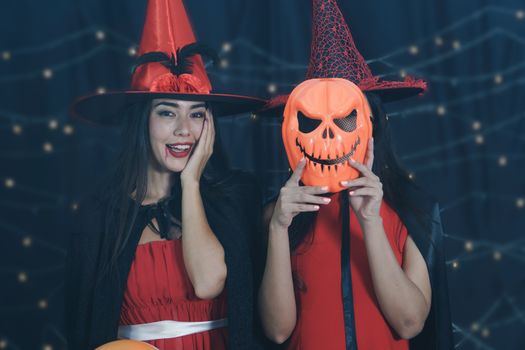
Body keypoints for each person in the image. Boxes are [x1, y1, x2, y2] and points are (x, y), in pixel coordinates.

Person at [65, 0, 267, 349]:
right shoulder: (100, 216)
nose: (185, 131)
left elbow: (207, 284)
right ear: (141, 121)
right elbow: (84, 327)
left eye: (197, 115)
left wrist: (190, 183)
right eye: (167, 113)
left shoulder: (235, 198)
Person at [258, 0, 453, 349]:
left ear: (374, 127)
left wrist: (372, 222)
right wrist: (277, 229)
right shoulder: (281, 215)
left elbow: (410, 322)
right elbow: (277, 331)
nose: (331, 136)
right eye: (313, 123)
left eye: (347, 121)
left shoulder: (413, 210)